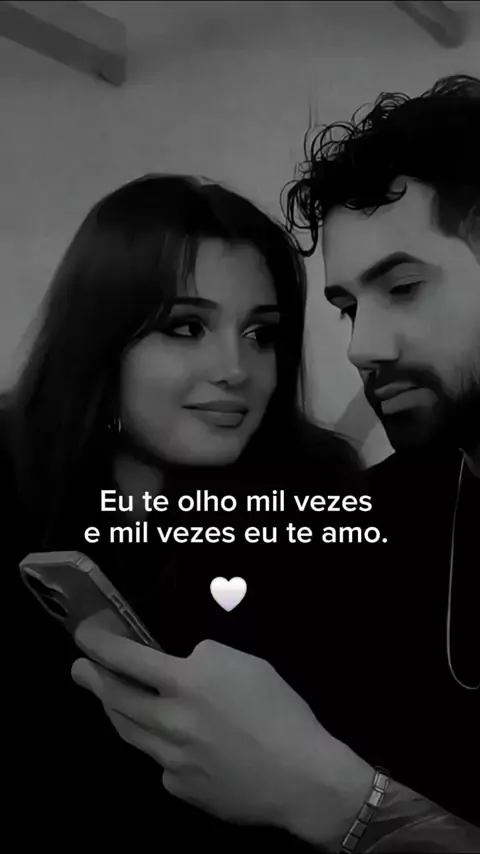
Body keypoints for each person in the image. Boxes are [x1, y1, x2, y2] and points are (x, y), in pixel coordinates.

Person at [63, 76, 480, 851]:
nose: (359, 347)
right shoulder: (374, 514)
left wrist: (336, 802)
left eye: (403, 286)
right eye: (347, 308)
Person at [2, 173, 365, 849]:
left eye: (261, 334)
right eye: (187, 327)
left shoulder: (318, 496)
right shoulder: (18, 476)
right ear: (100, 340)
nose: (237, 368)